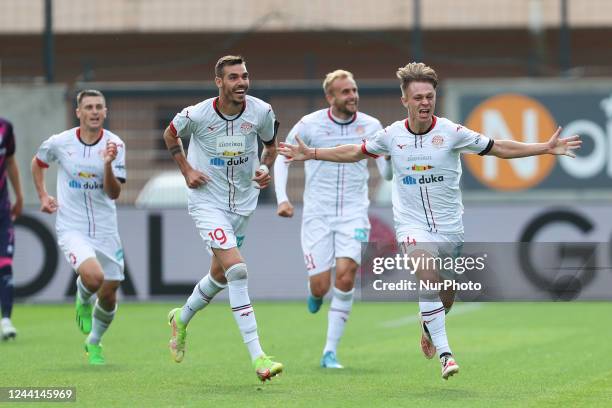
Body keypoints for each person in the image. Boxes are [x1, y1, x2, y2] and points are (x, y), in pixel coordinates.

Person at [278, 62, 581, 380]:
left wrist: (544, 148)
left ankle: (427, 326)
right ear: (405, 101)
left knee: (446, 295)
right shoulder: (391, 136)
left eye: (429, 96)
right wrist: (311, 153)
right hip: (411, 225)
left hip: (450, 228)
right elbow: (354, 151)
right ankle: (447, 355)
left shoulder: (451, 133)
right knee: (427, 275)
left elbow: (498, 147)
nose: (425, 102)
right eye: (418, 97)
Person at [163, 55, 283, 382]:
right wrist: (187, 170)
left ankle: (182, 318)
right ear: (219, 82)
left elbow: (270, 146)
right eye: (233, 77)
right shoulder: (197, 114)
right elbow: (170, 135)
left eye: (244, 76)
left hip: (243, 203)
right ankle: (259, 356)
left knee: (219, 275)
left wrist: (263, 167)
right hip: (207, 201)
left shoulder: (262, 112)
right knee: (238, 270)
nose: (241, 83)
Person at [274, 69, 392, 369]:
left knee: (346, 274)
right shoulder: (310, 125)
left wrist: (391, 165)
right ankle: (315, 294)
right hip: (318, 214)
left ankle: (330, 352)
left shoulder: (372, 126)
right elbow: (282, 157)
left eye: (354, 90)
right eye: (345, 92)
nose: (352, 96)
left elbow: (385, 172)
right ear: (331, 97)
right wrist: (283, 198)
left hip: (354, 212)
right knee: (320, 285)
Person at [31, 90, 127, 365]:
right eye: (89, 107)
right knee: (93, 278)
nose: (95, 112)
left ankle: (93, 342)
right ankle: (83, 298)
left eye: (99, 107)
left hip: (106, 228)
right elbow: (38, 164)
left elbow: (113, 193)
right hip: (71, 225)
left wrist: (107, 165)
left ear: (105, 112)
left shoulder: (115, 144)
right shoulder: (60, 143)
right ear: (79, 113)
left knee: (109, 294)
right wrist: (42, 195)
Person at [0, 118, 23, 340]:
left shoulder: (6, 127)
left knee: (5, 263)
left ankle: (6, 319)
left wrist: (20, 195)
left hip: (2, 209)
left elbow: (10, 161)